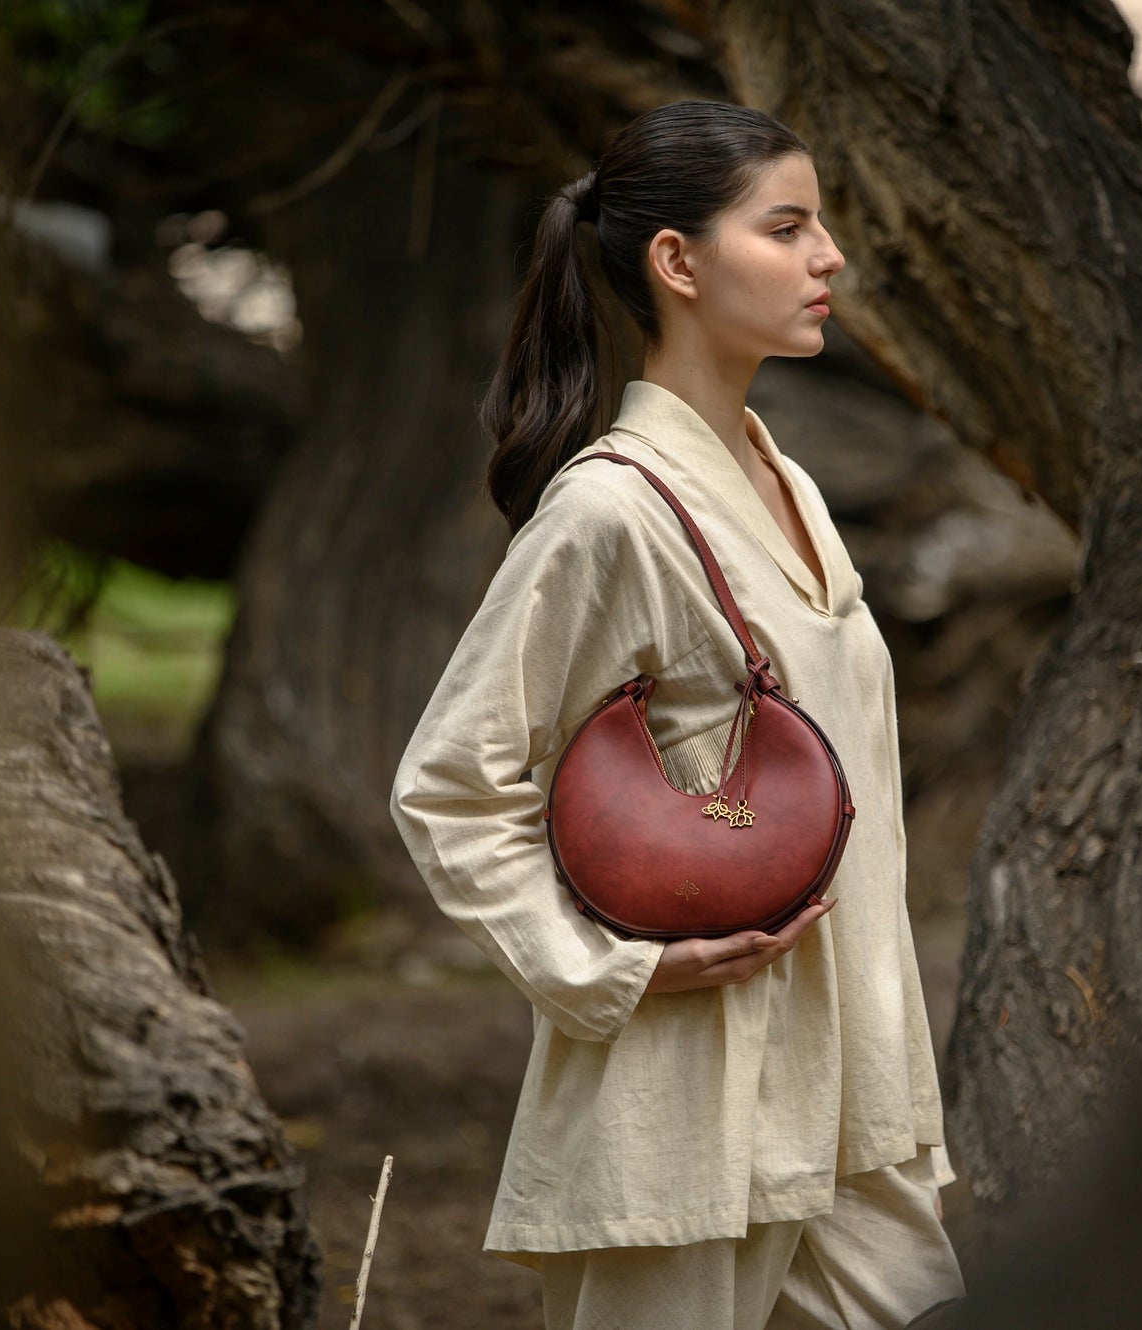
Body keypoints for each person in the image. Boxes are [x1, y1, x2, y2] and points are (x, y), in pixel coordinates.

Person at [388, 99, 964, 1329]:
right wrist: (606, 969)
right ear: (676, 261)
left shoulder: (781, 477)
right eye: (789, 227)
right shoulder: (611, 510)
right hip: (689, 1095)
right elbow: (451, 781)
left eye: (823, 229)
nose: (830, 259)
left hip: (852, 1086)